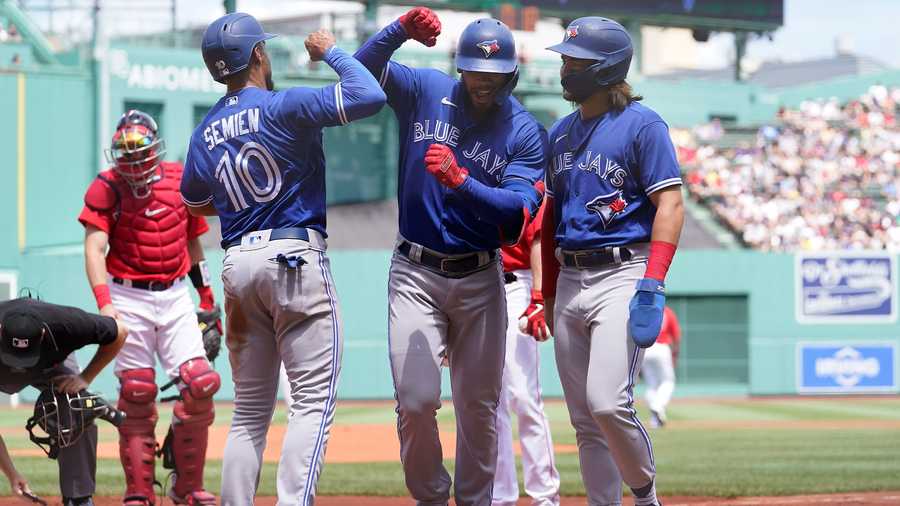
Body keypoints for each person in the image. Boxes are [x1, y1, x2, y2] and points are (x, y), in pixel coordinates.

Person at [181, 12, 385, 505]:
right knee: (311, 404)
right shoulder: (283, 105)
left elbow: (195, 202)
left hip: (237, 263)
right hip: (294, 258)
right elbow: (369, 95)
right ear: (256, 54)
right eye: (264, 49)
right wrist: (331, 53)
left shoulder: (204, 130)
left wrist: (239, 202)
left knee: (249, 410)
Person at [354, 9, 547, 505]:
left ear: (511, 75)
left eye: (494, 75)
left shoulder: (523, 131)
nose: (482, 83)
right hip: (414, 272)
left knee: (480, 407)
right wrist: (396, 32)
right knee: (415, 403)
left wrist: (463, 182)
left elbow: (518, 214)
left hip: (481, 276)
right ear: (460, 68)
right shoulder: (425, 90)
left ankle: (476, 501)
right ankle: (431, 498)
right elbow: (359, 70)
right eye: (474, 72)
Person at [541, 17, 685, 506]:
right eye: (564, 59)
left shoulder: (644, 126)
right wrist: (545, 292)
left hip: (623, 271)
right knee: (584, 419)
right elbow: (551, 217)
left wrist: (653, 282)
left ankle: (644, 495)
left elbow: (671, 204)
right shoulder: (559, 134)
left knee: (607, 402)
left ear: (604, 69)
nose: (563, 69)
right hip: (569, 277)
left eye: (572, 61)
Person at [78, 109, 222, 506]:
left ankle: (186, 486)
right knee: (137, 393)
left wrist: (207, 297)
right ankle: (139, 491)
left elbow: (193, 244)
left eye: (140, 148)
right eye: (125, 150)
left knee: (201, 383)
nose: (134, 157)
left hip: (175, 294)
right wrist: (105, 304)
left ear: (155, 147)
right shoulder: (107, 186)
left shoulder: (179, 179)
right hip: (128, 296)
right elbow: (94, 248)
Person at [0, 297, 128, 506]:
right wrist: (12, 474)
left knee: (74, 406)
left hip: (50, 364)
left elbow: (121, 331)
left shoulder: (66, 323)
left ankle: (78, 498)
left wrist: (85, 377)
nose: (20, 366)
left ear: (42, 333)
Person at [494, 189, 560, 506]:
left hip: (515, 284)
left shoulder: (527, 176)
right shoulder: (473, 170)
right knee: (489, 403)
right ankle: (500, 496)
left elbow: (538, 239)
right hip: (476, 281)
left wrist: (538, 296)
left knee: (523, 395)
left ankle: (544, 495)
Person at [643, 306, 681, 428]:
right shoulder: (667, 311)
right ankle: (657, 406)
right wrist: (675, 354)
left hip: (645, 348)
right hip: (661, 347)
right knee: (668, 382)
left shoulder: (643, 310)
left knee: (652, 385)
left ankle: (656, 421)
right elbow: (676, 335)